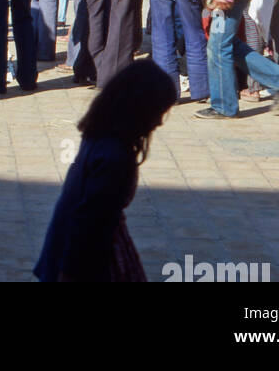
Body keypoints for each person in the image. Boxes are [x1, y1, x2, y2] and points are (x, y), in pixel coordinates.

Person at [34, 59, 176, 282]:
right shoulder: (115, 158)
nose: (159, 122)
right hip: (85, 260)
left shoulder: (97, 136)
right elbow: (90, 221)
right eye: (157, 112)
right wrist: (70, 273)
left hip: (67, 248)